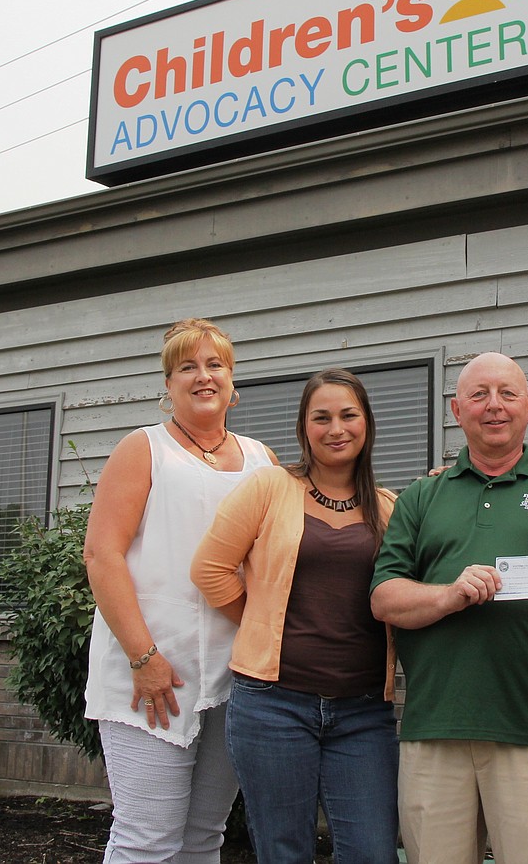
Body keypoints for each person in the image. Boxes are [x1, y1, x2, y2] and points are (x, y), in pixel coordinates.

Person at [370, 351, 528, 864]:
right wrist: (448, 594)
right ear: (457, 411)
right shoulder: (422, 497)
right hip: (435, 728)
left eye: (507, 394)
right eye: (479, 395)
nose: (494, 406)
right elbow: (384, 598)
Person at [83, 318, 277, 863]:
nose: (203, 376)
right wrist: (143, 658)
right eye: (187, 367)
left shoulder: (264, 461)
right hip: (153, 671)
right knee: (146, 841)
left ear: (233, 382)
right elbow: (102, 555)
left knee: (203, 837)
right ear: (168, 384)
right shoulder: (143, 450)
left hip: (236, 679)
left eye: (215, 365)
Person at [190, 368, 399, 864]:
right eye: (321, 417)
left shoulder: (389, 509)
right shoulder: (269, 487)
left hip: (363, 711)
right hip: (273, 707)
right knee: (284, 852)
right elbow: (211, 569)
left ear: (366, 423)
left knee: (373, 852)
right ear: (304, 427)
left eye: (348, 415)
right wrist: (264, 622)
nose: (336, 428)